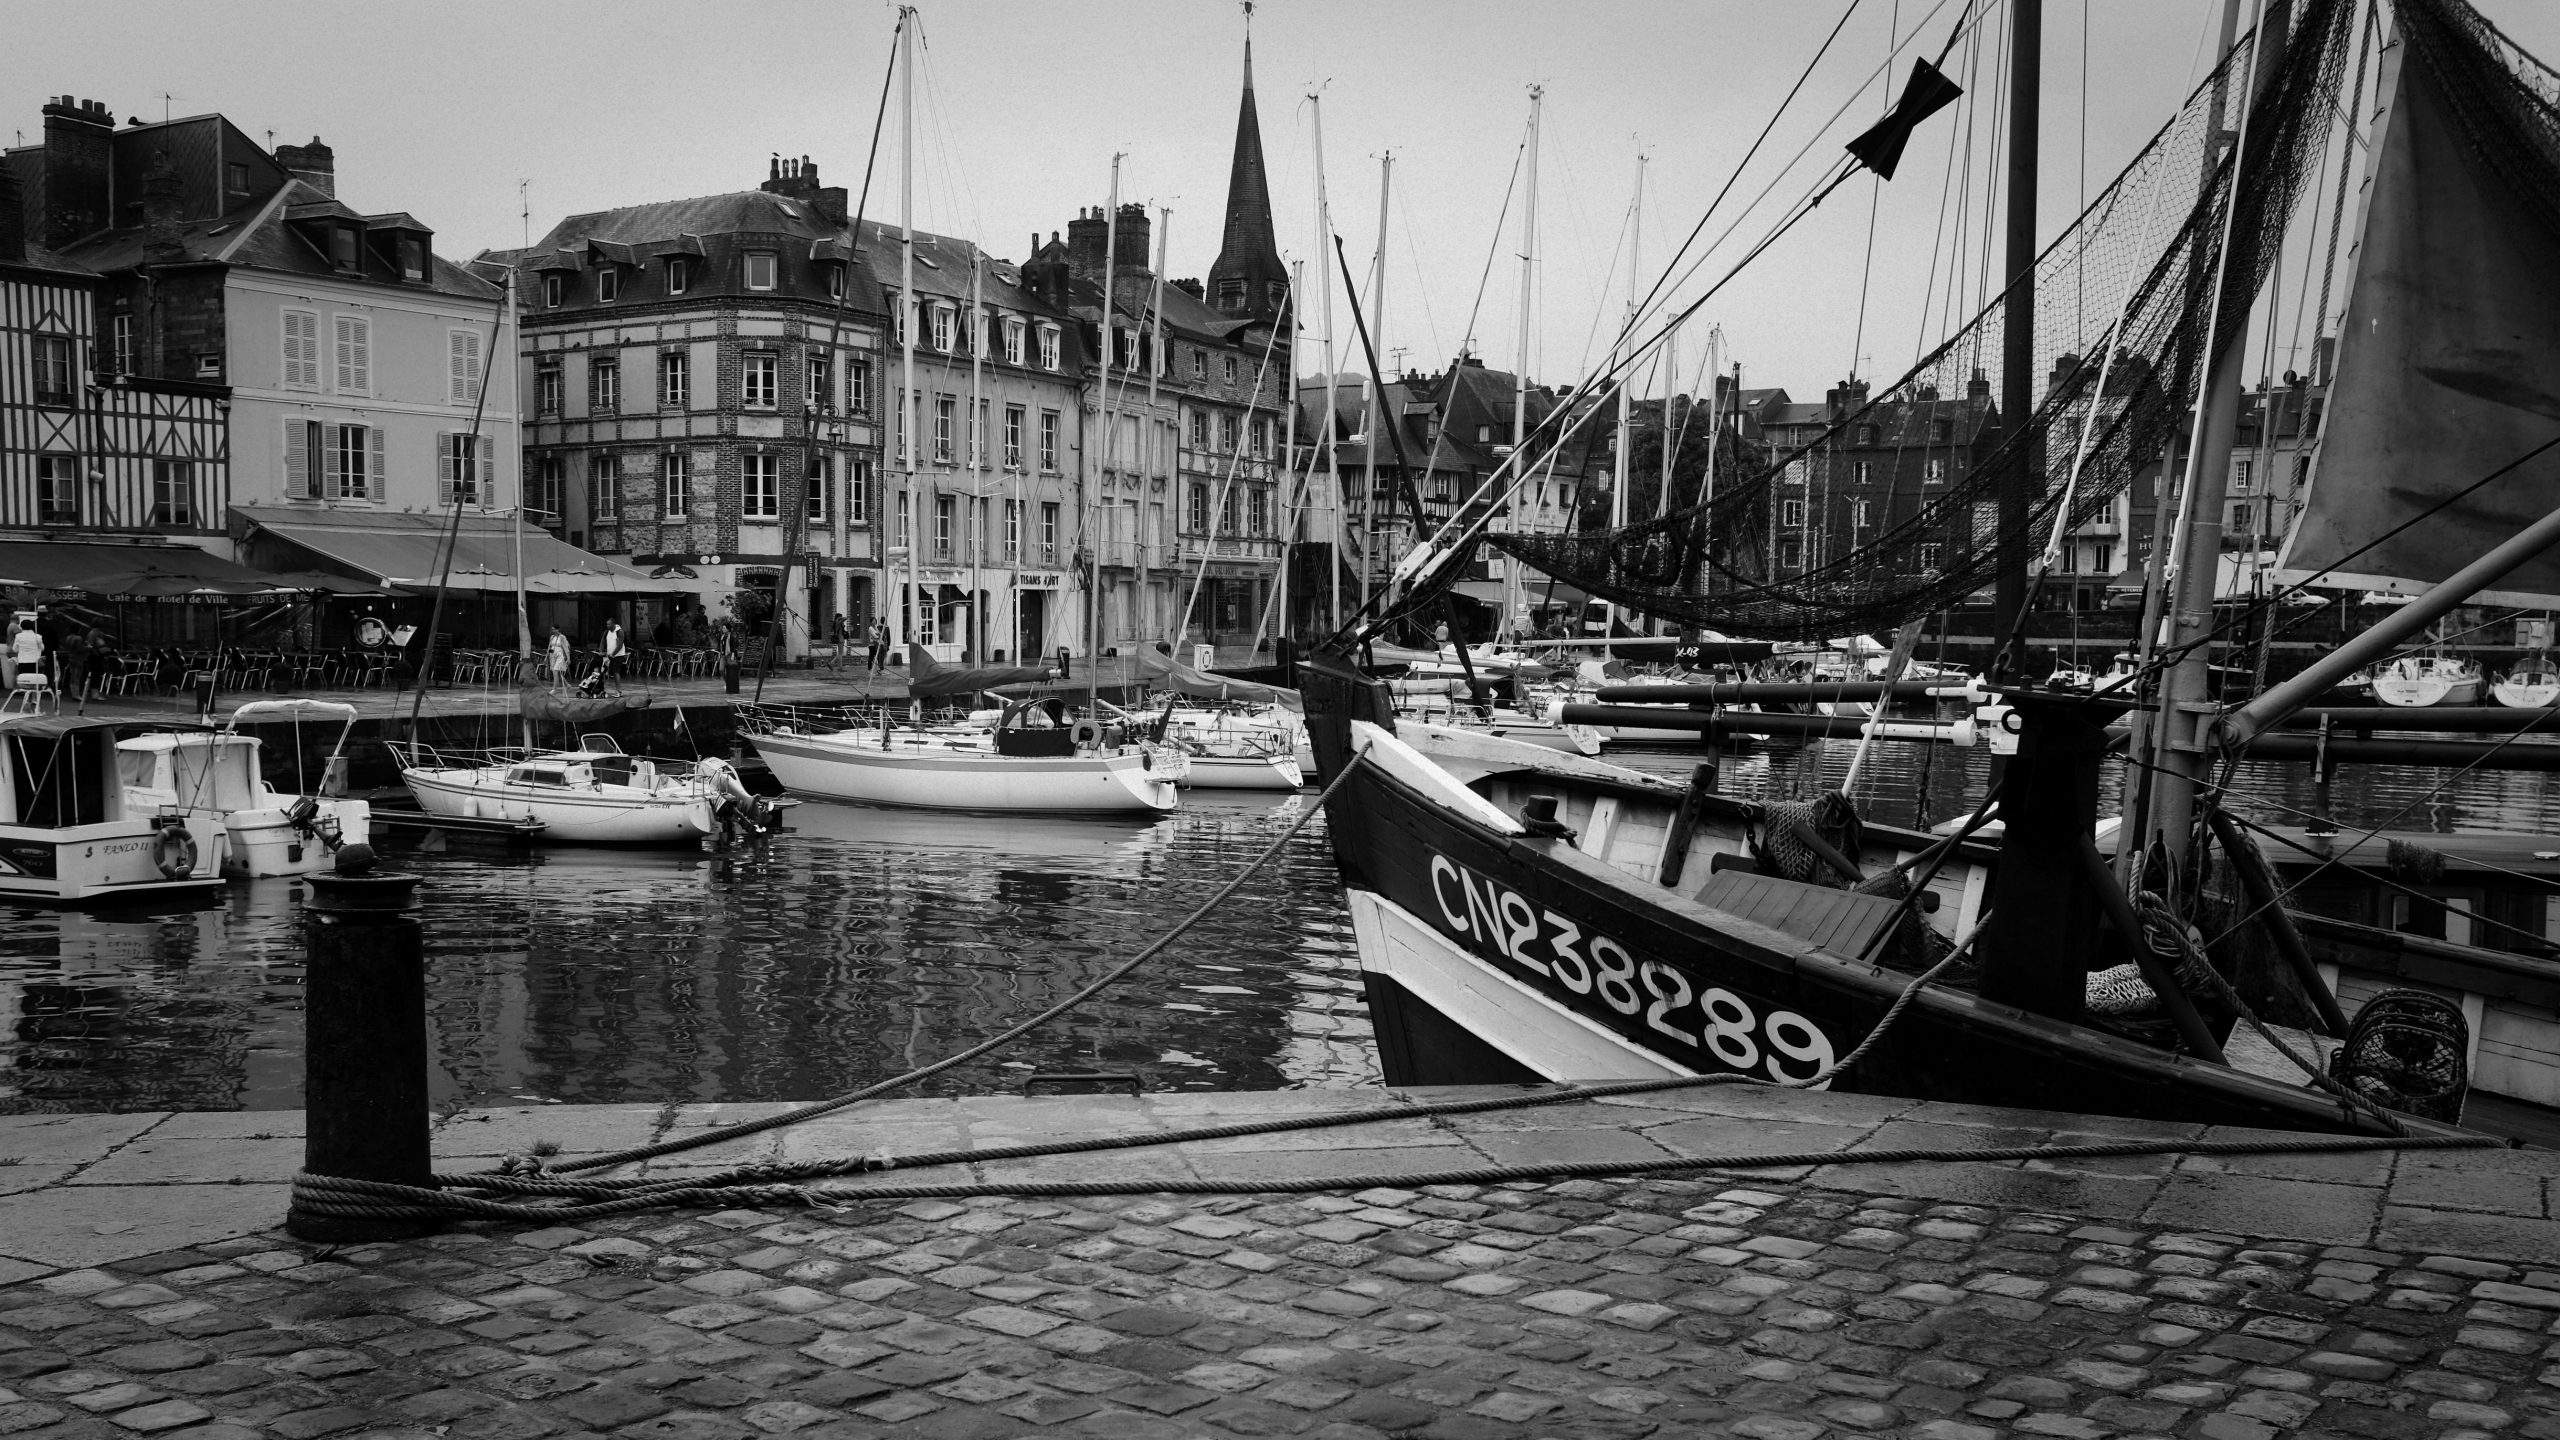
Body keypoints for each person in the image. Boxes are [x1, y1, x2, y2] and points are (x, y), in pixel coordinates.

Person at [59, 625, 92, 714]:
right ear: (78, 630)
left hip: (70, 657)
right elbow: (79, 649)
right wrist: (88, 647)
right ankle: (76, 695)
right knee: (77, 675)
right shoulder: (78, 638)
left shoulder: (68, 637)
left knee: (73, 675)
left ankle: (74, 693)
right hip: (78, 658)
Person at [10, 620, 44, 692]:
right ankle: (33, 699)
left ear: (21, 627)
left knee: (24, 681)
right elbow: (42, 648)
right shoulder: (37, 637)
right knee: (34, 681)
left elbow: (15, 649)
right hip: (34, 662)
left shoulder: (18, 636)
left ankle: (26, 699)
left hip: (22, 662)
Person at [600, 619, 627, 692]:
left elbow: (620, 645)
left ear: (613, 624)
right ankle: (600, 688)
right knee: (605, 671)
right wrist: (601, 651)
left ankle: (619, 691)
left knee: (616, 672)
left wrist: (613, 654)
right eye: (607, 624)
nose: (607, 626)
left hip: (618, 655)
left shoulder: (620, 632)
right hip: (610, 655)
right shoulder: (606, 632)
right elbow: (602, 641)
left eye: (609, 624)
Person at [544, 626, 570, 690]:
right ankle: (567, 684)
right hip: (552, 655)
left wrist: (568, 658)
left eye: (555, 629)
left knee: (556, 671)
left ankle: (554, 689)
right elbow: (549, 647)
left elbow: (566, 648)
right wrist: (546, 656)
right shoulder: (552, 637)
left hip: (560, 655)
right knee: (556, 672)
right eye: (552, 629)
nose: (553, 631)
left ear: (558, 630)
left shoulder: (562, 637)